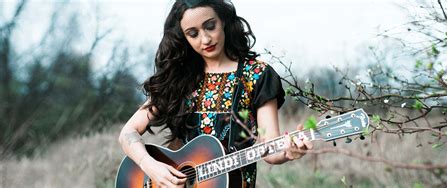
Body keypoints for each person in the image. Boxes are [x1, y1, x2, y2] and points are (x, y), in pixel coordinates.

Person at [118, 0, 313, 187]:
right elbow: (128, 133)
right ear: (183, 38)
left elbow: (270, 149)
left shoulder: (257, 75)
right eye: (193, 34)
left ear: (224, 21)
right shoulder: (179, 79)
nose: (205, 39)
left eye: (210, 26)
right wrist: (150, 166)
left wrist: (288, 152)